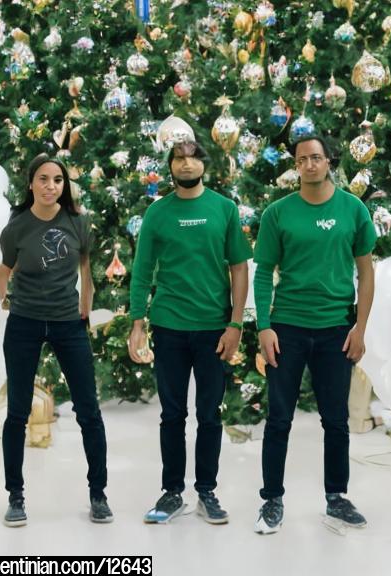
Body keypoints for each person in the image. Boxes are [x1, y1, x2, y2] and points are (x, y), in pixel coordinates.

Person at [252, 134, 376, 534]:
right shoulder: (278, 213)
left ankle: (336, 498)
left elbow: (367, 272)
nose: (309, 165)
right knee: (279, 419)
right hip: (287, 327)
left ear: (329, 162)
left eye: (316, 158)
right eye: (302, 159)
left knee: (336, 420)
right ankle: (272, 500)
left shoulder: (353, 210)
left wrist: (360, 326)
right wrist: (265, 326)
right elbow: (262, 271)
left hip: (335, 329)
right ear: (296, 165)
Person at [128, 139, 251, 525]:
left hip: (214, 329)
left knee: (210, 414)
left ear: (203, 164)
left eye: (192, 157)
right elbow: (142, 269)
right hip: (169, 326)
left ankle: (207, 491)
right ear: (170, 167)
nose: (185, 164)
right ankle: (172, 492)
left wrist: (235, 323)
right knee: (172, 415)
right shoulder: (158, 213)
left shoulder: (224, 209)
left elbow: (239, 268)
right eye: (178, 158)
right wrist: (137, 323)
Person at [0, 154, 111, 527]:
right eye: (43, 179)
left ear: (64, 185)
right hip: (25, 324)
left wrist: (86, 308)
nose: (51, 187)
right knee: (16, 413)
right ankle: (15, 496)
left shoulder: (77, 222)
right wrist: (5, 299)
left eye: (58, 180)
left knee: (89, 412)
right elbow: (4, 270)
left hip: (68, 324)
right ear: (31, 183)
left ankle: (99, 494)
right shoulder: (17, 227)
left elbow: (85, 270)